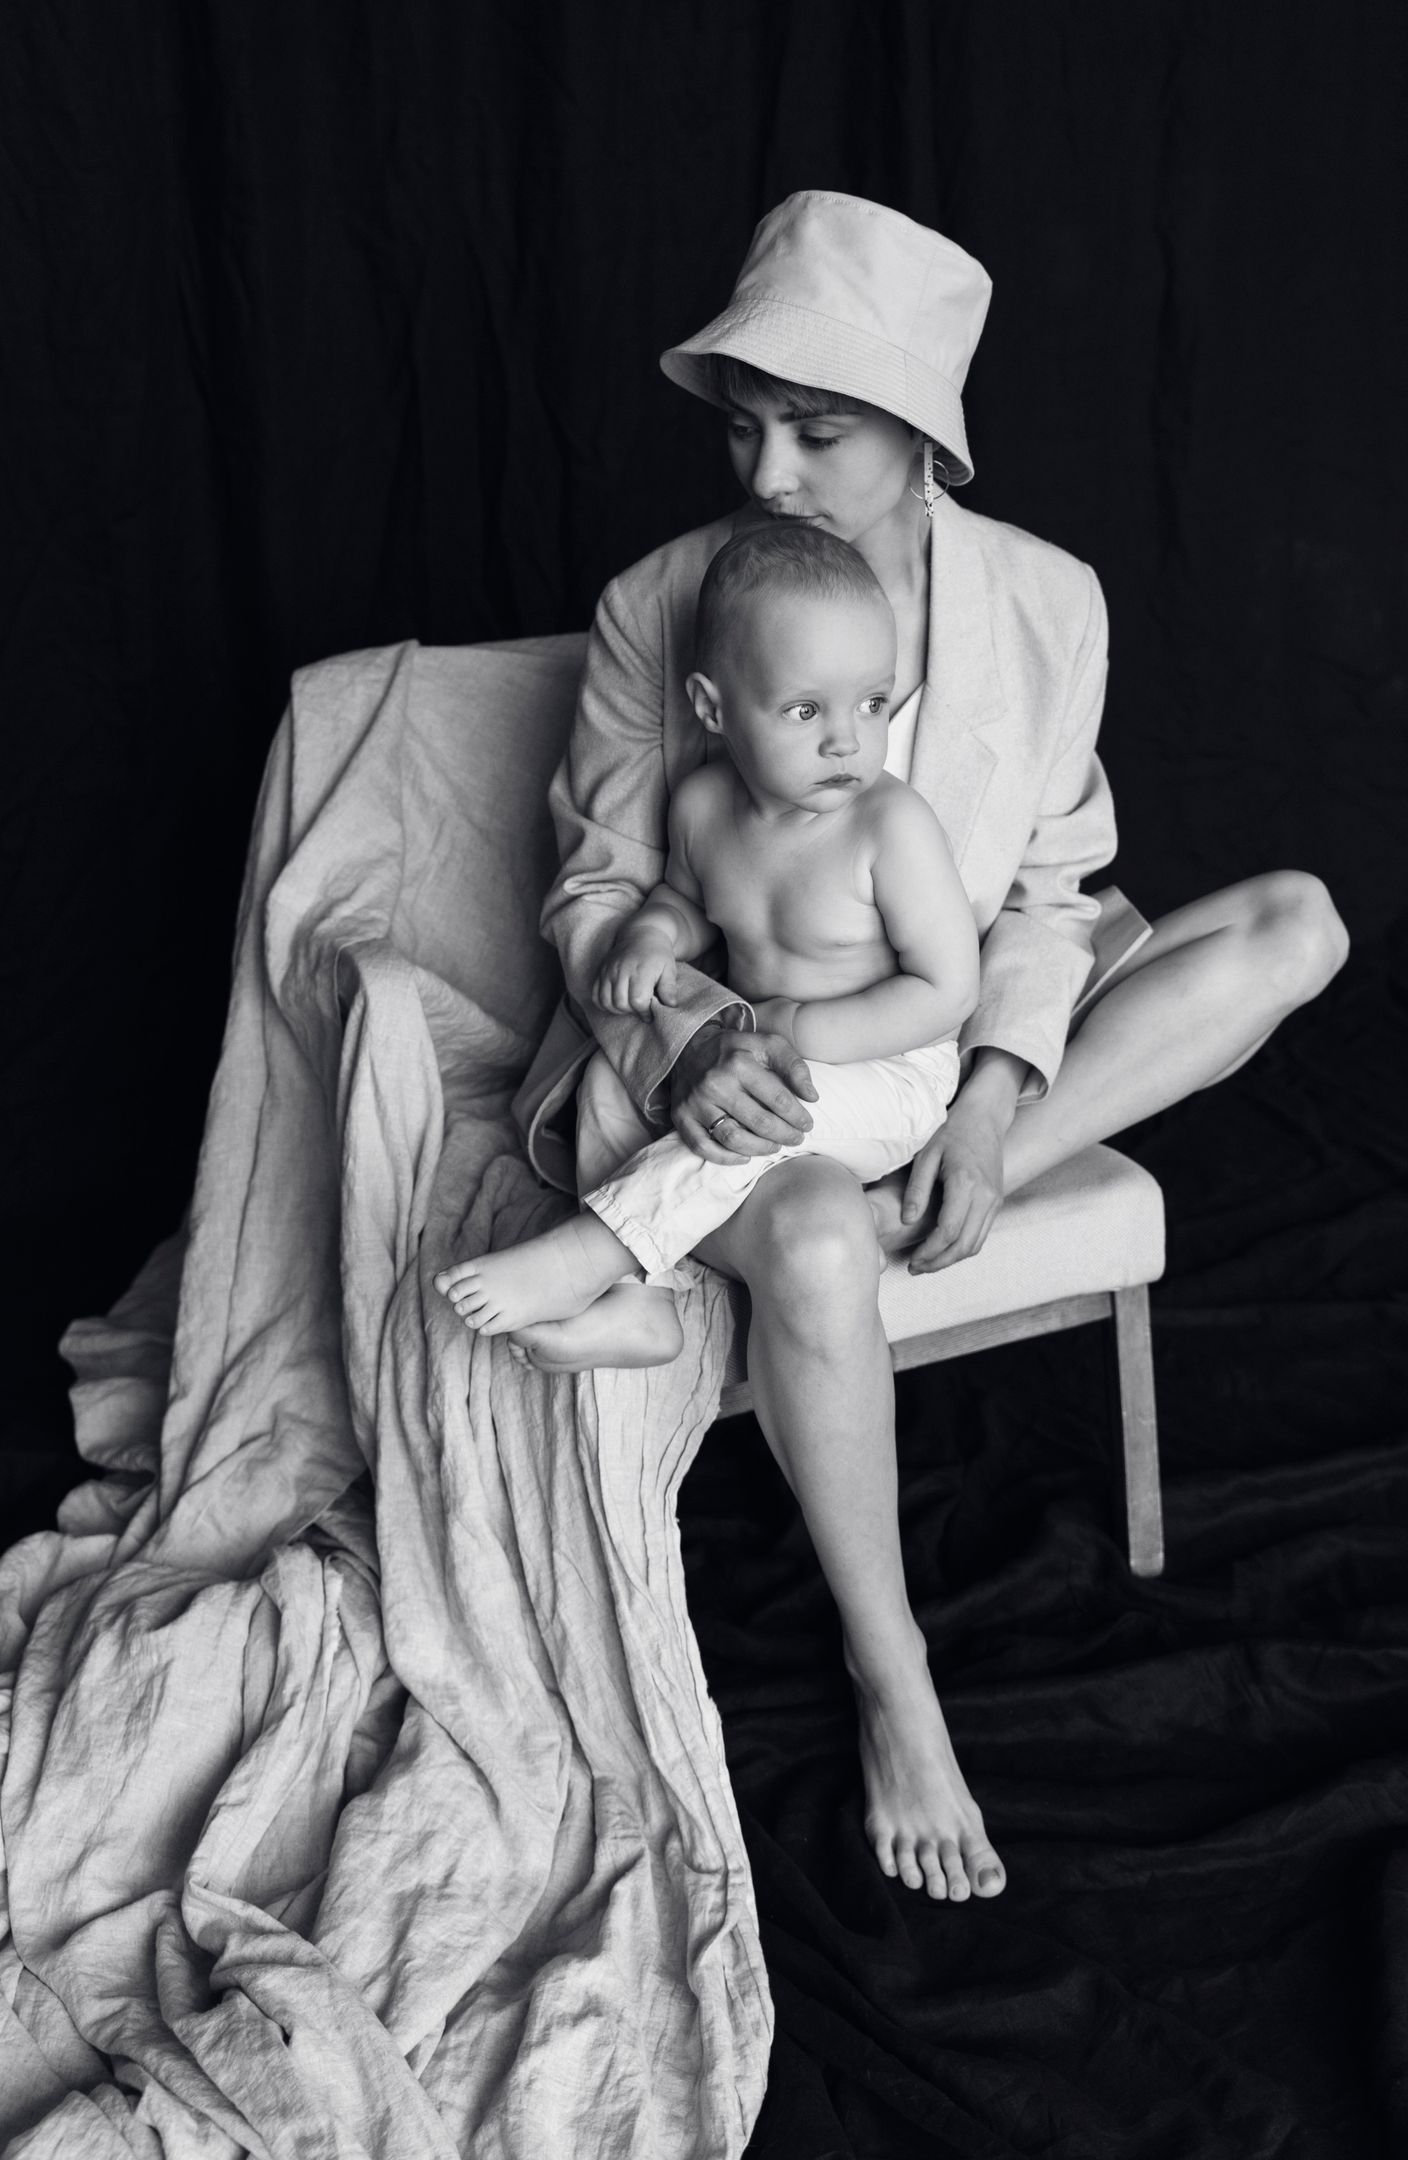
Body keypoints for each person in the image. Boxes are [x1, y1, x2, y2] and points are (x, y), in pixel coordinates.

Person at [509, 192, 1349, 1902]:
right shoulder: (662, 606)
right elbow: (599, 894)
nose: (766, 473)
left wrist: (991, 1096)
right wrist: (688, 1037)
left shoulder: (1048, 602)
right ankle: (896, 1680)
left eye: (816, 432)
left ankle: (961, 1173)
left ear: (921, 439)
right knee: (818, 1231)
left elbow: (1052, 896)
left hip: (943, 1035)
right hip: (744, 1069)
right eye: (745, 427)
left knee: (1300, 924)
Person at [437, 523, 978, 1338]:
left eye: (873, 702)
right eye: (805, 709)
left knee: (751, 1116)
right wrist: (654, 935)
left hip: (890, 1071)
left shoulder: (891, 827)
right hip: (762, 1045)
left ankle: (588, 1257)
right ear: (711, 708)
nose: (847, 738)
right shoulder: (701, 806)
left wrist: (805, 1029)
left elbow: (948, 988)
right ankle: (644, 1305)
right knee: (612, 1079)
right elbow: (690, 902)